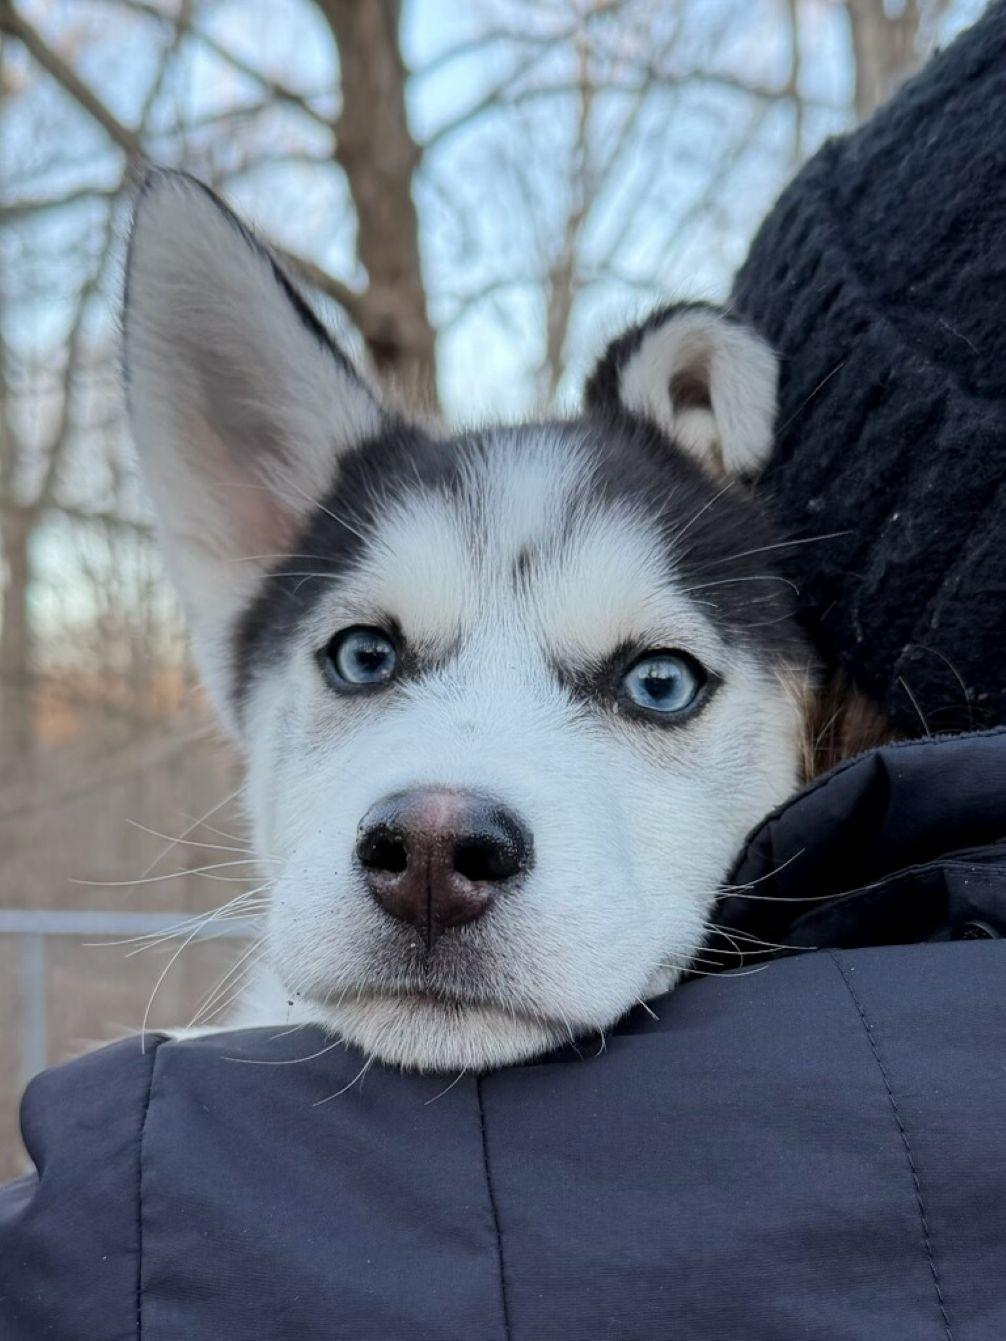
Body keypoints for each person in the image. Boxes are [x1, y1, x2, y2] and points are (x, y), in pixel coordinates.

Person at [3, 5, 1005, 1337]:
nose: (441, 819)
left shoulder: (127, 1245)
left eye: (652, 682)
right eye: (366, 658)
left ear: (825, 734)